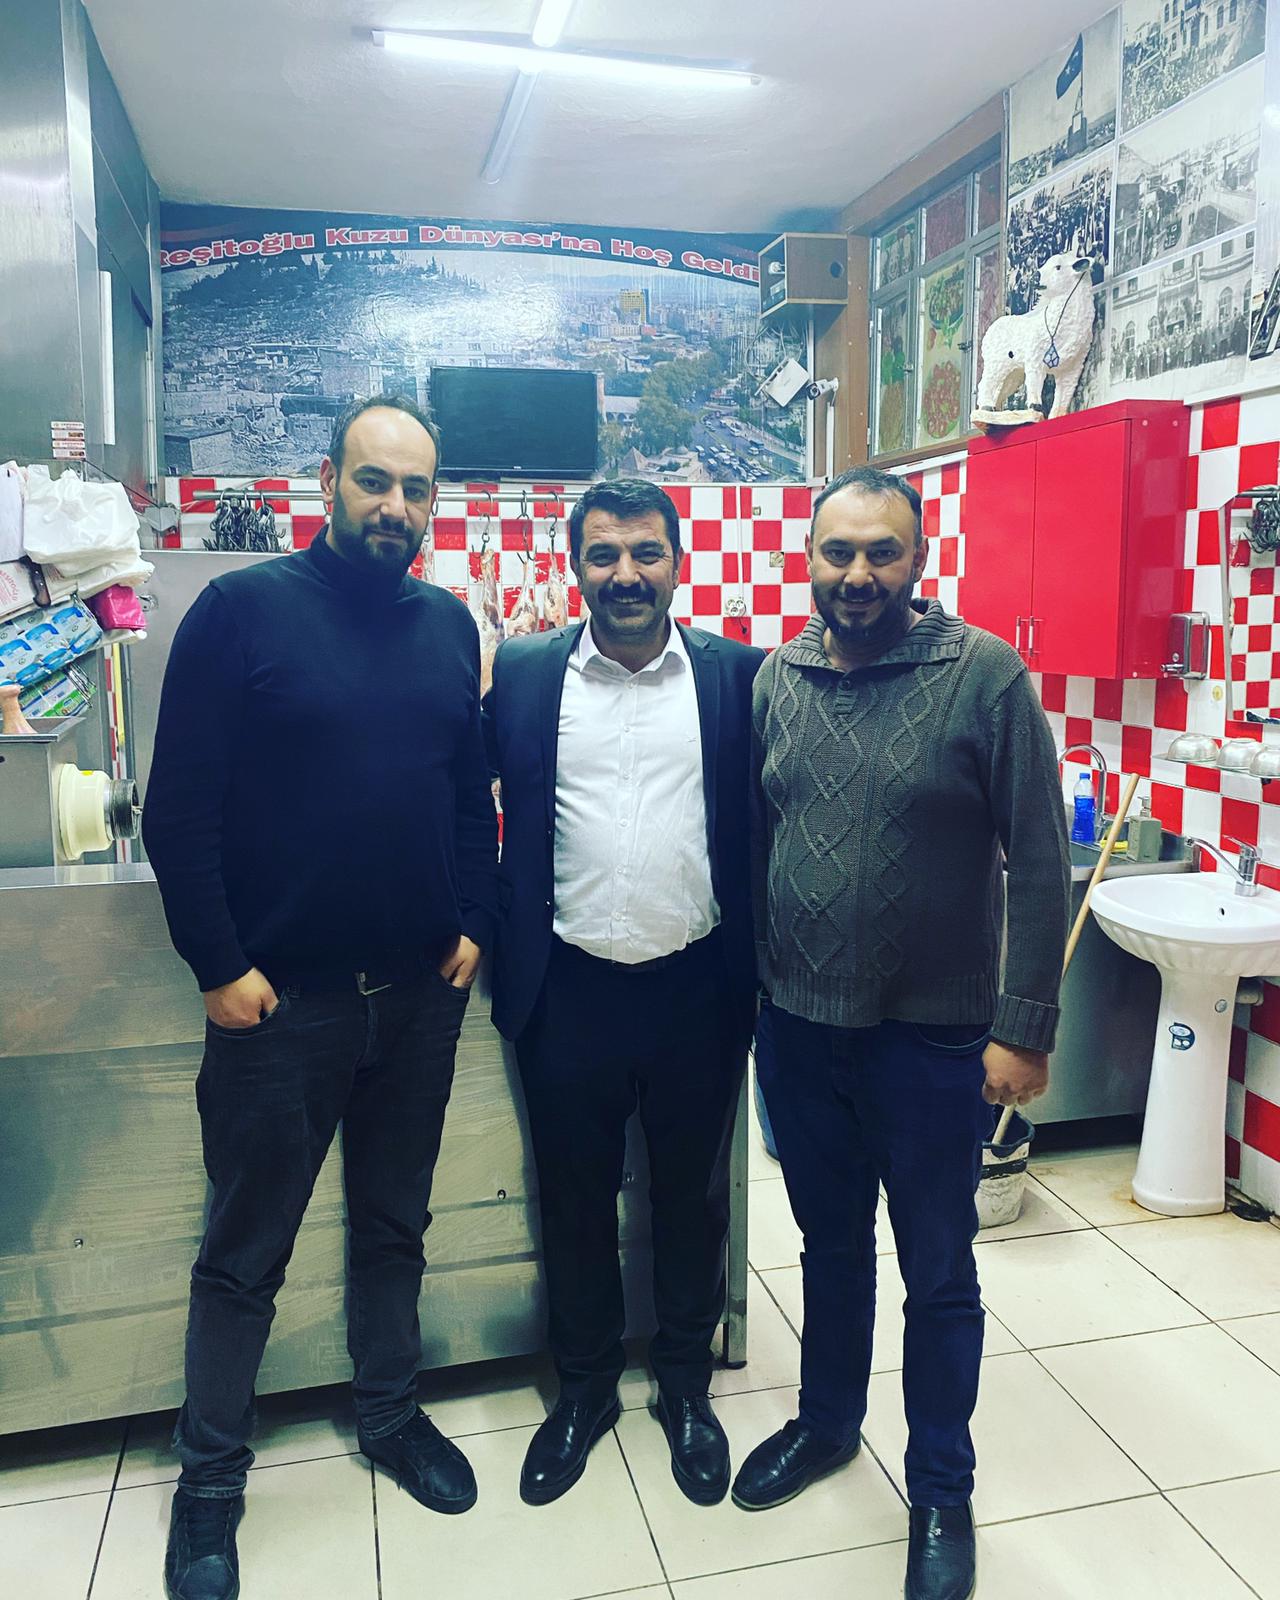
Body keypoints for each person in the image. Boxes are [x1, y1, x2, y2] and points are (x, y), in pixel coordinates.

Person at [144, 396, 500, 1600]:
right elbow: (178, 811)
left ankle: (389, 1413)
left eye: (415, 488)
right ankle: (209, 1483)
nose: (394, 506)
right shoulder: (240, 612)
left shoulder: (447, 624)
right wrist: (217, 966)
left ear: (433, 502)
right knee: (244, 1254)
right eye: (372, 480)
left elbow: (466, 792)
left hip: (416, 998)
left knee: (395, 1226)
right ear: (326, 481)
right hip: (277, 1008)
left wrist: (473, 920)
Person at [735, 466, 1069, 1600]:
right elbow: (755, 844)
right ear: (810, 559)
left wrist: (1024, 1027)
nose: (858, 573)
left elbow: (1039, 860)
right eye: (838, 552)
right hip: (797, 1031)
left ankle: (939, 1489)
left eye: (882, 551)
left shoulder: (983, 676)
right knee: (827, 1249)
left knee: (938, 1271)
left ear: (917, 559)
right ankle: (827, 1424)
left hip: (932, 1044)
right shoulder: (775, 680)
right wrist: (754, 996)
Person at [482, 478, 762, 1508]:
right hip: (565, 987)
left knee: (691, 1199)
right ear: (576, 567)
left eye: (645, 552)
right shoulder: (524, 673)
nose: (625, 574)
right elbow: (465, 798)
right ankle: (586, 1389)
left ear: (677, 562)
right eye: (603, 554)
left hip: (697, 983)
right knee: (573, 1201)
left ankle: (684, 1385)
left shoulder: (736, 676)